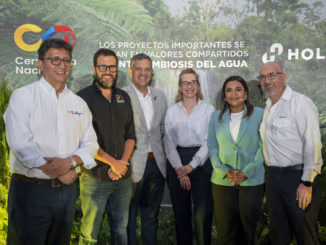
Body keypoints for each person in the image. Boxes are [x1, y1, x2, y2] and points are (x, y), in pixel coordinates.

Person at [4, 38, 99, 245]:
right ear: (40, 63)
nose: (62, 66)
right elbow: (21, 144)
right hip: (31, 191)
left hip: (66, 195)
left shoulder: (78, 103)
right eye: (55, 60)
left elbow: (91, 144)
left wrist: (71, 163)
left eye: (66, 61)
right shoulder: (23, 97)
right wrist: (58, 171)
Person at [258, 62, 323, 245]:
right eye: (262, 77)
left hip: (298, 179)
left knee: (306, 236)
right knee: (278, 236)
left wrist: (307, 182)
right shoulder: (269, 106)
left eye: (272, 75)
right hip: (273, 178)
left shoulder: (301, 103)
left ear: (283, 77)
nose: (267, 81)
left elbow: (312, 143)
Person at [77, 48, 136, 245]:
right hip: (95, 178)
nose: (107, 71)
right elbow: (83, 141)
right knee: (89, 235)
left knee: (120, 231)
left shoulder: (123, 97)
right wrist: (113, 164)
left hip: (123, 179)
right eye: (103, 66)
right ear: (94, 69)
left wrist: (121, 164)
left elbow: (130, 136)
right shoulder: (81, 99)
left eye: (112, 67)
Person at [208, 76, 265, 245]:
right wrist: (224, 171)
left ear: (246, 93)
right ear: (224, 95)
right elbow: (212, 146)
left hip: (251, 181)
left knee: (247, 231)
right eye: (229, 90)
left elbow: (264, 146)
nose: (234, 94)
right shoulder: (216, 116)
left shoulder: (260, 114)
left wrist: (246, 172)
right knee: (225, 232)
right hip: (222, 182)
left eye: (238, 89)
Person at [165, 68, 214, 245]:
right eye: (185, 83)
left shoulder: (209, 110)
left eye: (193, 82)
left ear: (198, 85)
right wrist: (181, 170)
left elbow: (210, 142)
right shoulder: (172, 111)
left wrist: (191, 166)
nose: (189, 86)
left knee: (202, 216)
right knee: (181, 214)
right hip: (177, 161)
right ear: (179, 87)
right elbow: (169, 143)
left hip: (202, 162)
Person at [123, 53, 167, 245]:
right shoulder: (121, 95)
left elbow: (162, 129)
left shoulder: (160, 96)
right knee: (129, 217)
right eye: (138, 69)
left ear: (152, 72)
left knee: (151, 216)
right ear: (131, 71)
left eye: (147, 69)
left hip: (156, 165)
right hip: (131, 165)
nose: (143, 73)